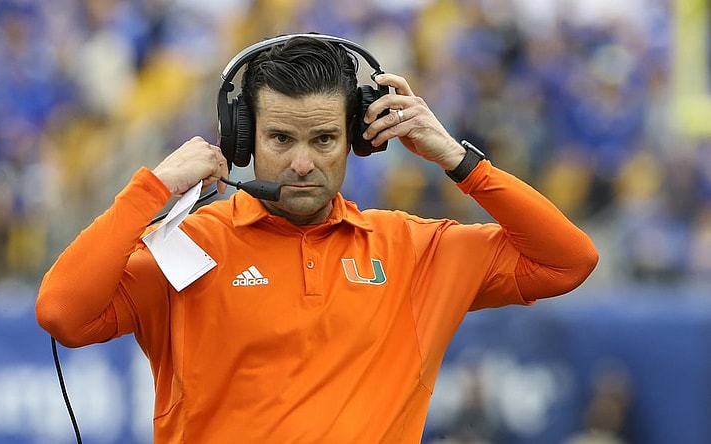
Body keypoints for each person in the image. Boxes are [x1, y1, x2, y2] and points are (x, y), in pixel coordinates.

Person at [36, 33, 598, 443]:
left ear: (358, 138)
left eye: (325, 139)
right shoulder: (187, 247)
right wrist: (150, 188)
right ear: (241, 140)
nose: (302, 163)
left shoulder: (415, 250)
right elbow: (62, 312)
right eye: (280, 138)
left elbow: (568, 261)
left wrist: (456, 158)